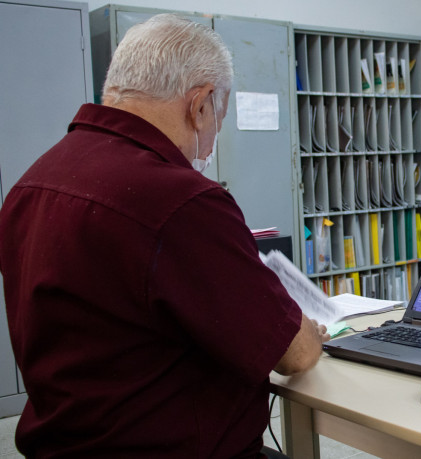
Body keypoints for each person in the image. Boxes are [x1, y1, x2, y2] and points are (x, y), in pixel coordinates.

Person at [0, 14, 328, 458]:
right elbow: (295, 355)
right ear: (200, 105)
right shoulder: (181, 201)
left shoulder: (33, 182)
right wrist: (306, 327)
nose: (211, 146)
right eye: (217, 121)